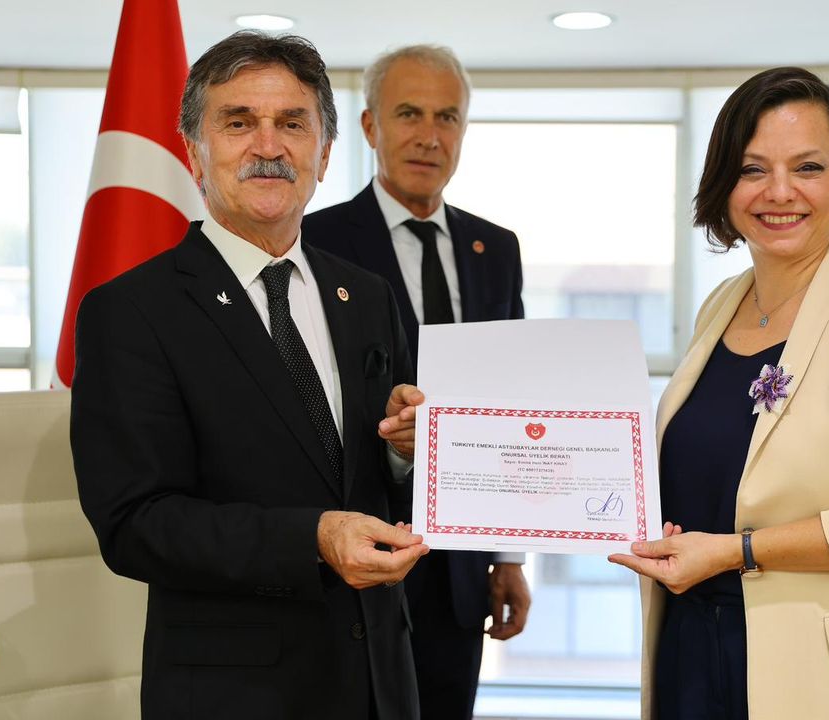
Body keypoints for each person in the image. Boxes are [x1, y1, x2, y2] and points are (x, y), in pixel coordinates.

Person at [72, 31, 428, 720]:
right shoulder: (130, 312)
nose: (269, 146)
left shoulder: (367, 296)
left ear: (325, 153)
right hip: (235, 693)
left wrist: (404, 451)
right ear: (193, 152)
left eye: (292, 124)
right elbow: (135, 523)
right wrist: (312, 538)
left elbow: (377, 473)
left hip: (379, 681)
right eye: (238, 123)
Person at [609, 66, 829, 719]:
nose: (779, 192)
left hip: (825, 676)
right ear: (724, 183)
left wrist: (736, 551)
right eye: (753, 169)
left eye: (807, 167)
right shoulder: (722, 304)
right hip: (691, 648)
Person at [303, 44, 530, 720]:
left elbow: (510, 399)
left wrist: (507, 555)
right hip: (354, 552)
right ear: (370, 126)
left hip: (461, 563)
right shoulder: (313, 241)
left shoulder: (497, 248)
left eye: (447, 117)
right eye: (409, 114)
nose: (429, 136)